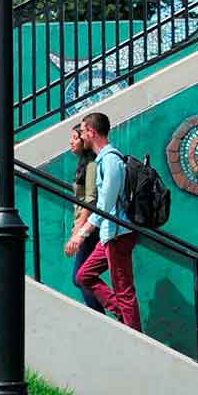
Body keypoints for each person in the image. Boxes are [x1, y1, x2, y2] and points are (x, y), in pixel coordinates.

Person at [65, 112, 142, 332]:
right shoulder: (103, 160)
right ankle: (122, 314)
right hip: (109, 234)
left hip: (118, 234)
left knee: (124, 290)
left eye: (82, 130)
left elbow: (105, 207)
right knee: (83, 275)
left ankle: (135, 338)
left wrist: (81, 235)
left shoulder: (111, 161)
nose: (80, 135)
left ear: (91, 131)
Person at [66, 124, 103, 314]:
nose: (71, 142)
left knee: (81, 277)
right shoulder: (83, 163)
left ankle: (101, 314)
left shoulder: (91, 165)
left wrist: (78, 232)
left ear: (84, 140)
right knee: (81, 276)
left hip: (89, 228)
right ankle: (101, 312)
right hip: (83, 225)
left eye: (74, 137)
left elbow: (90, 201)